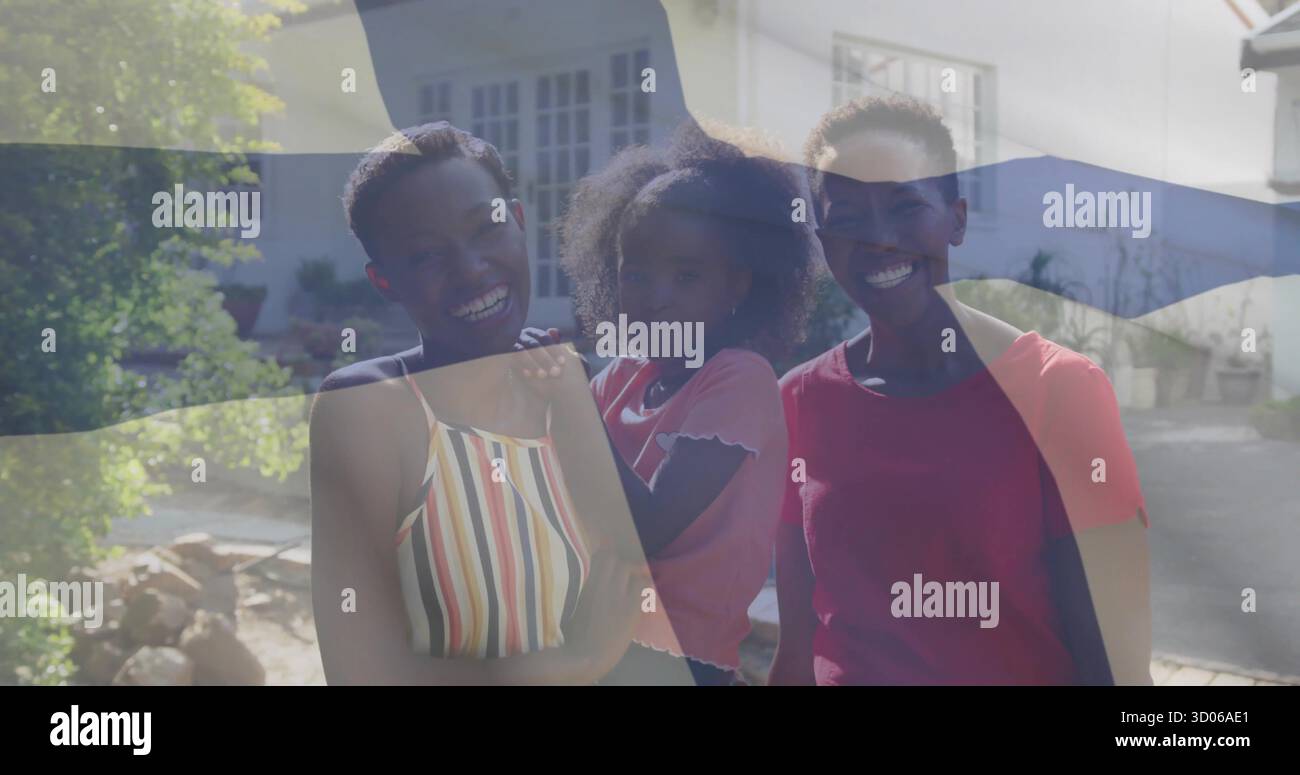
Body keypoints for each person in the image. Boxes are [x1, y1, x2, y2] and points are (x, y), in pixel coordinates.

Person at [770, 97, 1152, 685]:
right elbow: (796, 654)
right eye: (847, 217)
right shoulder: (798, 402)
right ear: (824, 240)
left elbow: (1117, 669)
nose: (879, 238)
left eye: (905, 206)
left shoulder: (1058, 392)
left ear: (957, 218)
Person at [309, 122, 648, 684]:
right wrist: (574, 663)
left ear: (517, 222)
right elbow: (359, 669)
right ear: (385, 281)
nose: (471, 269)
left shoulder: (565, 388)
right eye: (424, 256)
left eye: (485, 228)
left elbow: (638, 568)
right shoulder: (371, 410)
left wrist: (569, 401)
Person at [517, 123, 816, 684]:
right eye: (637, 273)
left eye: (687, 276)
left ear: (737, 287)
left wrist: (571, 403)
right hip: (592, 637)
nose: (657, 299)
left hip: (677, 659)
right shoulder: (627, 376)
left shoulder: (738, 381)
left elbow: (646, 529)